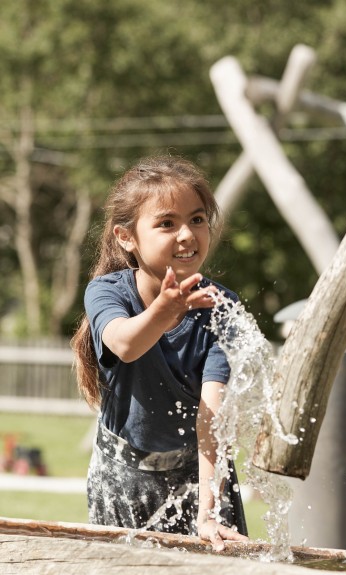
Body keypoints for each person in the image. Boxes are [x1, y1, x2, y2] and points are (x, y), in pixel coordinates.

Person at [71, 155, 248, 551]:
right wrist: (165, 310)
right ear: (125, 237)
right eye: (167, 223)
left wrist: (210, 511)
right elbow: (125, 344)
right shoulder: (107, 293)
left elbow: (213, 416)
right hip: (122, 479)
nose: (186, 235)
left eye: (197, 219)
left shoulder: (220, 307)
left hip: (200, 479)